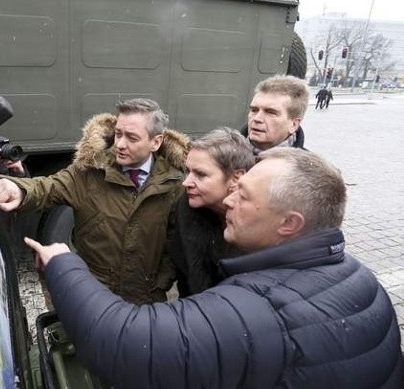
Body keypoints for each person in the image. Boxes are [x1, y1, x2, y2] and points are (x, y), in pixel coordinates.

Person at [25, 148, 403, 388]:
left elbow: (122, 344)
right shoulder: (359, 276)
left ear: (290, 223)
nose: (229, 198)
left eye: (244, 194)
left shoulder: (259, 311)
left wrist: (63, 264)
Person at [0, 98, 188, 304]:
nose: (120, 144)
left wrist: (161, 281)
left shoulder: (176, 184)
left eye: (132, 138)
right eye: (118, 134)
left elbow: (177, 241)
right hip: (93, 296)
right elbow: (49, 186)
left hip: (146, 300)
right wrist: (20, 189)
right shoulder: (89, 171)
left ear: (156, 142)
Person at [168, 127, 255, 296]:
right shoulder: (186, 207)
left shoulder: (264, 219)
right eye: (188, 171)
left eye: (200, 174)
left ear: (236, 178)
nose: (186, 182)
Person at [241, 74, 309, 153]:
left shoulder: (306, 165)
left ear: (294, 124)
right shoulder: (225, 158)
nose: (257, 118)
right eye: (254, 110)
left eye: (270, 113)